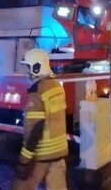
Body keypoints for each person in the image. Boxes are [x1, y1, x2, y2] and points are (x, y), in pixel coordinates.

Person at [13, 49, 68, 190]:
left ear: (36, 67)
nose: (27, 72)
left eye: (29, 67)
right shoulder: (56, 85)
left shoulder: (37, 91)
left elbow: (35, 127)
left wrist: (25, 159)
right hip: (59, 153)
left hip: (41, 154)